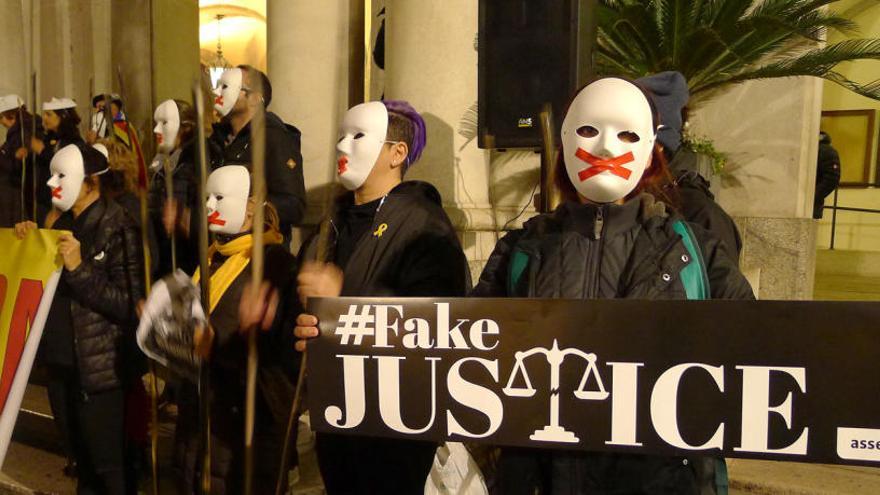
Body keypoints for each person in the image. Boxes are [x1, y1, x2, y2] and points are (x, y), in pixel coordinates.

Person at [471, 78, 754, 494]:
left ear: (650, 154)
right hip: (542, 475)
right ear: (564, 141)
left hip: (657, 479)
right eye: (588, 130)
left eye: (626, 134)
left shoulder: (694, 252)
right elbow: (469, 348)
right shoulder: (525, 248)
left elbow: (754, 352)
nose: (605, 148)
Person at [290, 100, 471, 494]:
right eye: (341, 136)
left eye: (358, 137)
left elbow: (436, 324)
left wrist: (342, 305)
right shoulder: (332, 222)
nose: (343, 147)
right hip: (337, 410)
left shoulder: (424, 225)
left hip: (395, 421)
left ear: (397, 153)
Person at [15, 142, 144, 494]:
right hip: (62, 366)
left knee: (109, 467)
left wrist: (80, 269)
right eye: (52, 174)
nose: (51, 184)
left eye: (62, 175)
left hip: (99, 371)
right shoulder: (62, 223)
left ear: (90, 182)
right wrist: (30, 243)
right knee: (81, 464)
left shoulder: (119, 226)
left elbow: (128, 302)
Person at [172, 165, 298, 494]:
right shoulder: (210, 257)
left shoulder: (276, 264)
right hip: (198, 418)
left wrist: (221, 346)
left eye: (220, 197)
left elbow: (281, 360)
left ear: (251, 205)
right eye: (206, 198)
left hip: (239, 428)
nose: (209, 207)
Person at [636, 71, 743, 259]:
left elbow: (719, 285)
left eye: (628, 136)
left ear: (657, 145)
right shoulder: (607, 205)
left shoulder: (699, 213)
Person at [210, 65, 306, 238]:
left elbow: (294, 205)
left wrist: (252, 207)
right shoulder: (217, 141)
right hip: (221, 246)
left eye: (225, 87)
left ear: (254, 98)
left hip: (256, 248)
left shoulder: (274, 138)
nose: (216, 93)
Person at [149, 98, 215, 277]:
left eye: (164, 123)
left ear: (185, 127)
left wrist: (184, 217)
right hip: (164, 257)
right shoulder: (162, 161)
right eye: (156, 123)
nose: (156, 130)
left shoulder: (197, 162)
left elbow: (205, 212)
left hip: (187, 262)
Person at [30, 97, 85, 226]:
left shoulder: (72, 140)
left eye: (49, 115)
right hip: (44, 196)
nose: (44, 118)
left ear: (63, 116)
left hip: (58, 199)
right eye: (44, 114)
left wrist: (42, 151)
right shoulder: (49, 137)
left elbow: (65, 165)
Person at [0, 94, 43, 226]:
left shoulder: (22, 132)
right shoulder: (26, 129)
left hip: (15, 193)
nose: (1, 122)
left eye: (1, 118)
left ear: (10, 116)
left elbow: (17, 164)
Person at [813, 131, 841, 219]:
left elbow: (832, 178)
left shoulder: (825, 151)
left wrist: (814, 196)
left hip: (810, 205)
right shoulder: (825, 150)